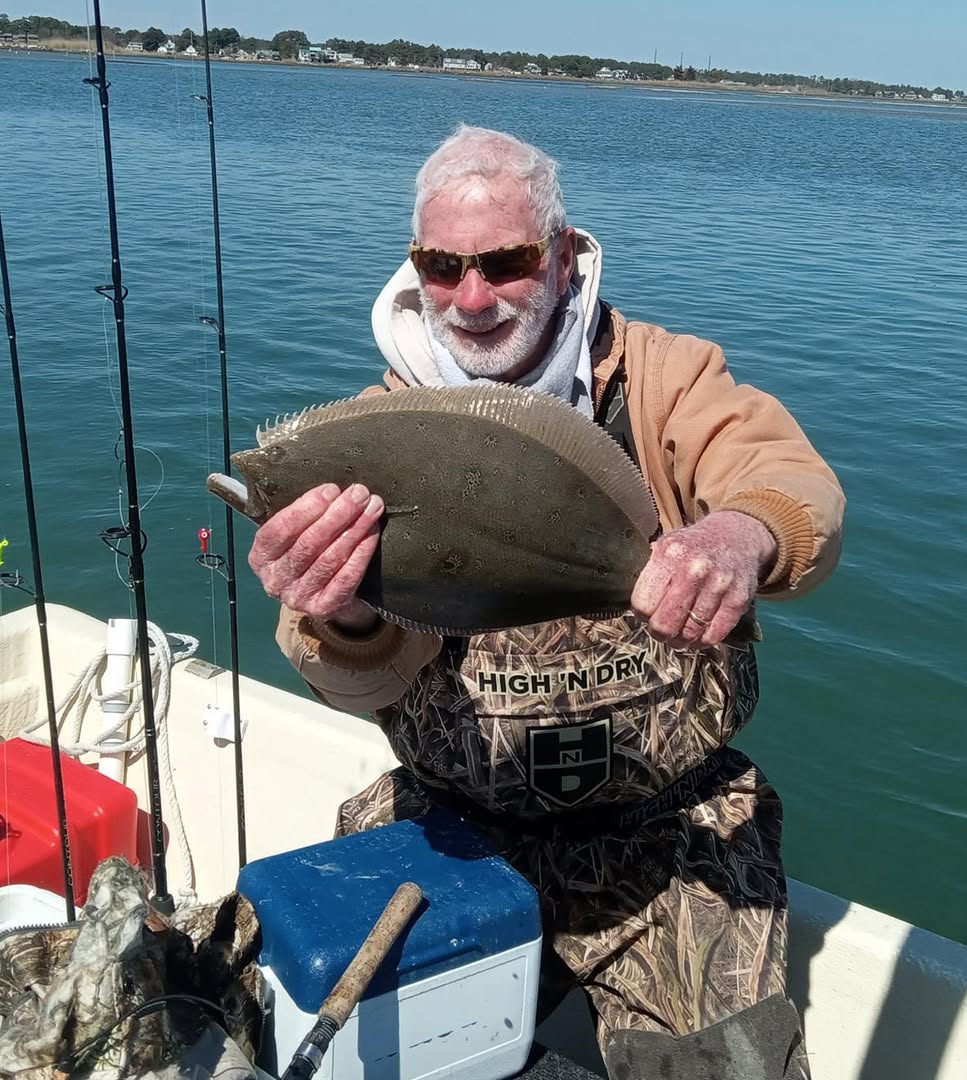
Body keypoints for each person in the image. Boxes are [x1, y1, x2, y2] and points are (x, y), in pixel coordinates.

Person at [250, 125, 844, 1079]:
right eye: (442, 268)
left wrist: (738, 535)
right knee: (322, 1035)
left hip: (665, 837)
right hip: (452, 826)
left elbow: (789, 480)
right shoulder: (376, 431)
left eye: (507, 261)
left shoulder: (666, 380)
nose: (473, 298)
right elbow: (339, 668)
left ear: (565, 258)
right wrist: (344, 610)